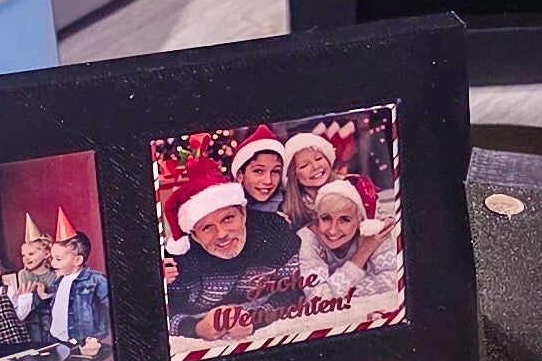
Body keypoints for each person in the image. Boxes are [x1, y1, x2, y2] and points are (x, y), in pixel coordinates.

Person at [162, 156, 302, 343]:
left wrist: (256, 318)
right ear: (194, 236)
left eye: (228, 219)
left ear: (243, 214)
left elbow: (295, 289)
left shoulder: (275, 231)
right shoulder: (178, 259)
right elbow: (161, 314)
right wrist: (196, 328)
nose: (221, 234)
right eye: (207, 227)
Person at [297, 180, 403, 310]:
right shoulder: (306, 239)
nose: (333, 230)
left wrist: (335, 289)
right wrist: (363, 252)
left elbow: (392, 280)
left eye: (344, 220)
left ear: (360, 220)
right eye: (326, 218)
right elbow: (318, 298)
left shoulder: (373, 232)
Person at [47, 229, 112, 359]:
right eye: (52, 258)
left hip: (84, 342)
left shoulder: (96, 280)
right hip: (59, 340)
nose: (52, 263)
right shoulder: (59, 281)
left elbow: (111, 309)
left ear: (77, 260)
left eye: (58, 259)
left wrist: (98, 336)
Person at [229, 127, 287, 223]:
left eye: (275, 172)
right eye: (259, 171)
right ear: (240, 175)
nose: (268, 181)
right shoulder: (229, 211)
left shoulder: (289, 205)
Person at [13, 218, 57, 306]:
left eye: (31, 254)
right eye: (23, 255)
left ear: (46, 254)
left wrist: (45, 295)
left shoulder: (55, 275)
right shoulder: (23, 274)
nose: (26, 258)